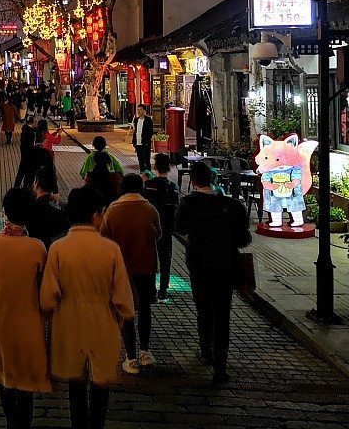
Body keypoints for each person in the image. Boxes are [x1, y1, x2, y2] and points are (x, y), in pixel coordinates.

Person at [41, 187, 134, 429]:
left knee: (76, 386)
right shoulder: (110, 249)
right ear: (95, 215)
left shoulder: (58, 248)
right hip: (103, 322)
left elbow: (48, 297)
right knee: (101, 385)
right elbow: (123, 297)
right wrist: (123, 317)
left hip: (69, 323)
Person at [174, 161, 252, 385]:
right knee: (223, 313)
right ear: (213, 179)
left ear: (193, 181)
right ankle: (220, 366)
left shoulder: (187, 204)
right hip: (226, 265)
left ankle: (205, 350)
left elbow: (178, 228)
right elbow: (244, 238)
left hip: (198, 264)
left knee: (203, 308)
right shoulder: (233, 206)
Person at [0, 188, 52, 429]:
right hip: (28, 324)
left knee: (5, 380)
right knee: (25, 388)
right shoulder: (37, 248)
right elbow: (43, 286)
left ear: (5, 211)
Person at [100, 174, 162, 374]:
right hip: (146, 265)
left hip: (122, 267)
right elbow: (158, 234)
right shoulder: (150, 209)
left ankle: (131, 357)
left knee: (126, 309)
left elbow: (103, 236)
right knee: (144, 307)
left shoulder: (113, 210)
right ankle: (145, 351)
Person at [143, 154, 180, 300]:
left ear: (155, 166)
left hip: (151, 226)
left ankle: (151, 288)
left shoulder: (149, 185)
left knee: (151, 257)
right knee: (166, 258)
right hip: (167, 226)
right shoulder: (173, 187)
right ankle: (163, 289)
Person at [27, 166, 70, 250]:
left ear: (36, 185)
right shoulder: (61, 212)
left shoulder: (28, 210)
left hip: (32, 253)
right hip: (53, 254)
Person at [131, 104, 154, 173]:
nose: (139, 111)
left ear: (144, 111)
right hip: (138, 143)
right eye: (138, 110)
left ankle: (149, 175)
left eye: (140, 110)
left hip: (145, 143)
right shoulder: (136, 120)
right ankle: (142, 174)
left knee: (146, 160)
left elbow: (150, 132)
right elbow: (135, 132)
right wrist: (134, 142)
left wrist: (147, 141)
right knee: (140, 160)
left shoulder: (148, 120)